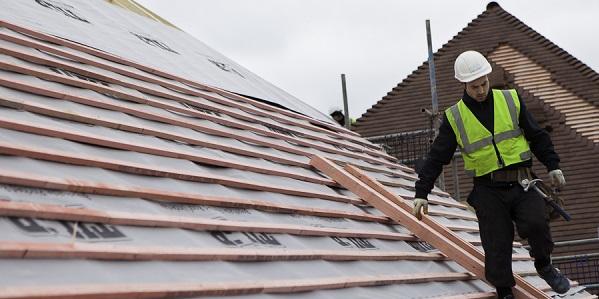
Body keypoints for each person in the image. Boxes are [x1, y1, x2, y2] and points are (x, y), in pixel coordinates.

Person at [412, 50, 570, 298]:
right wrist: (422, 192)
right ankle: (504, 290)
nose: (481, 90)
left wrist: (553, 165)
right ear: (463, 84)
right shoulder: (455, 117)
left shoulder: (511, 100)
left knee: (537, 223)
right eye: (474, 86)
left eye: (483, 83)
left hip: (522, 181)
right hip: (487, 189)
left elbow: (537, 135)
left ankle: (544, 265)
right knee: (496, 242)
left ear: (488, 77)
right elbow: (436, 158)